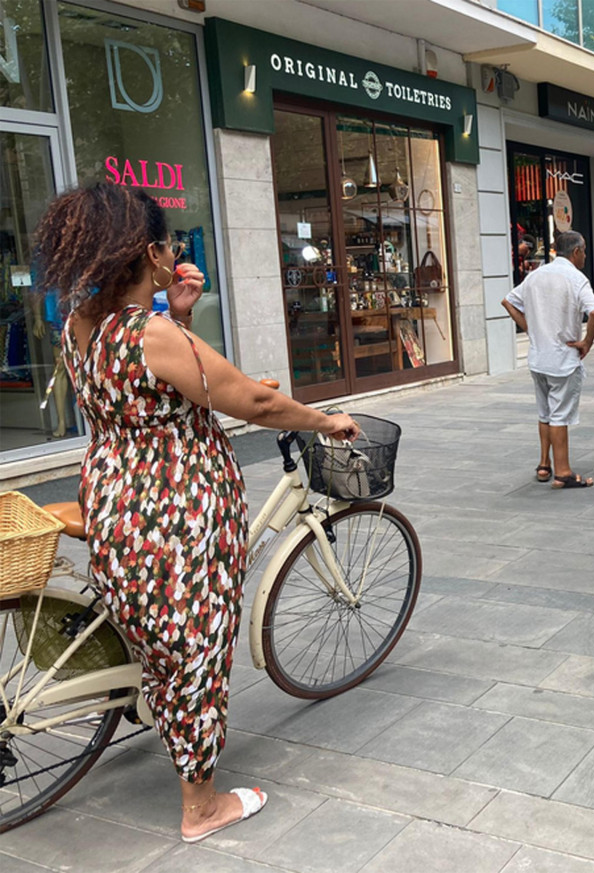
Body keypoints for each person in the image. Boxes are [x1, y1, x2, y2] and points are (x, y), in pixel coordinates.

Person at [34, 183, 358, 843]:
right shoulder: (150, 335)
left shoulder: (80, 325)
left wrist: (176, 314)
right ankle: (201, 806)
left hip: (115, 498)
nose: (176, 252)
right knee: (198, 651)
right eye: (169, 244)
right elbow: (255, 403)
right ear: (150, 254)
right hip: (177, 512)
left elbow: (140, 395)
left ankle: (159, 705)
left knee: (162, 637)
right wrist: (327, 419)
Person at [503, 230, 594, 488]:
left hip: (538, 356)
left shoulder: (536, 275)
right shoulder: (576, 279)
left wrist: (530, 328)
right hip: (562, 358)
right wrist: (587, 343)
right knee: (559, 415)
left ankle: (544, 465)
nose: (586, 256)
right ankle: (563, 472)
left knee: (545, 412)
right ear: (577, 251)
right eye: (585, 251)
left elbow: (508, 301)